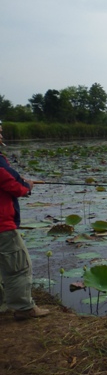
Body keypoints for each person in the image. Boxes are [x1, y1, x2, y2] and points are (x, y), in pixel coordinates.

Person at [0, 121, 49, 320]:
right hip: (2, 224)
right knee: (18, 266)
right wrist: (27, 186)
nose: (1, 136)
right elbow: (12, 183)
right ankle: (23, 308)